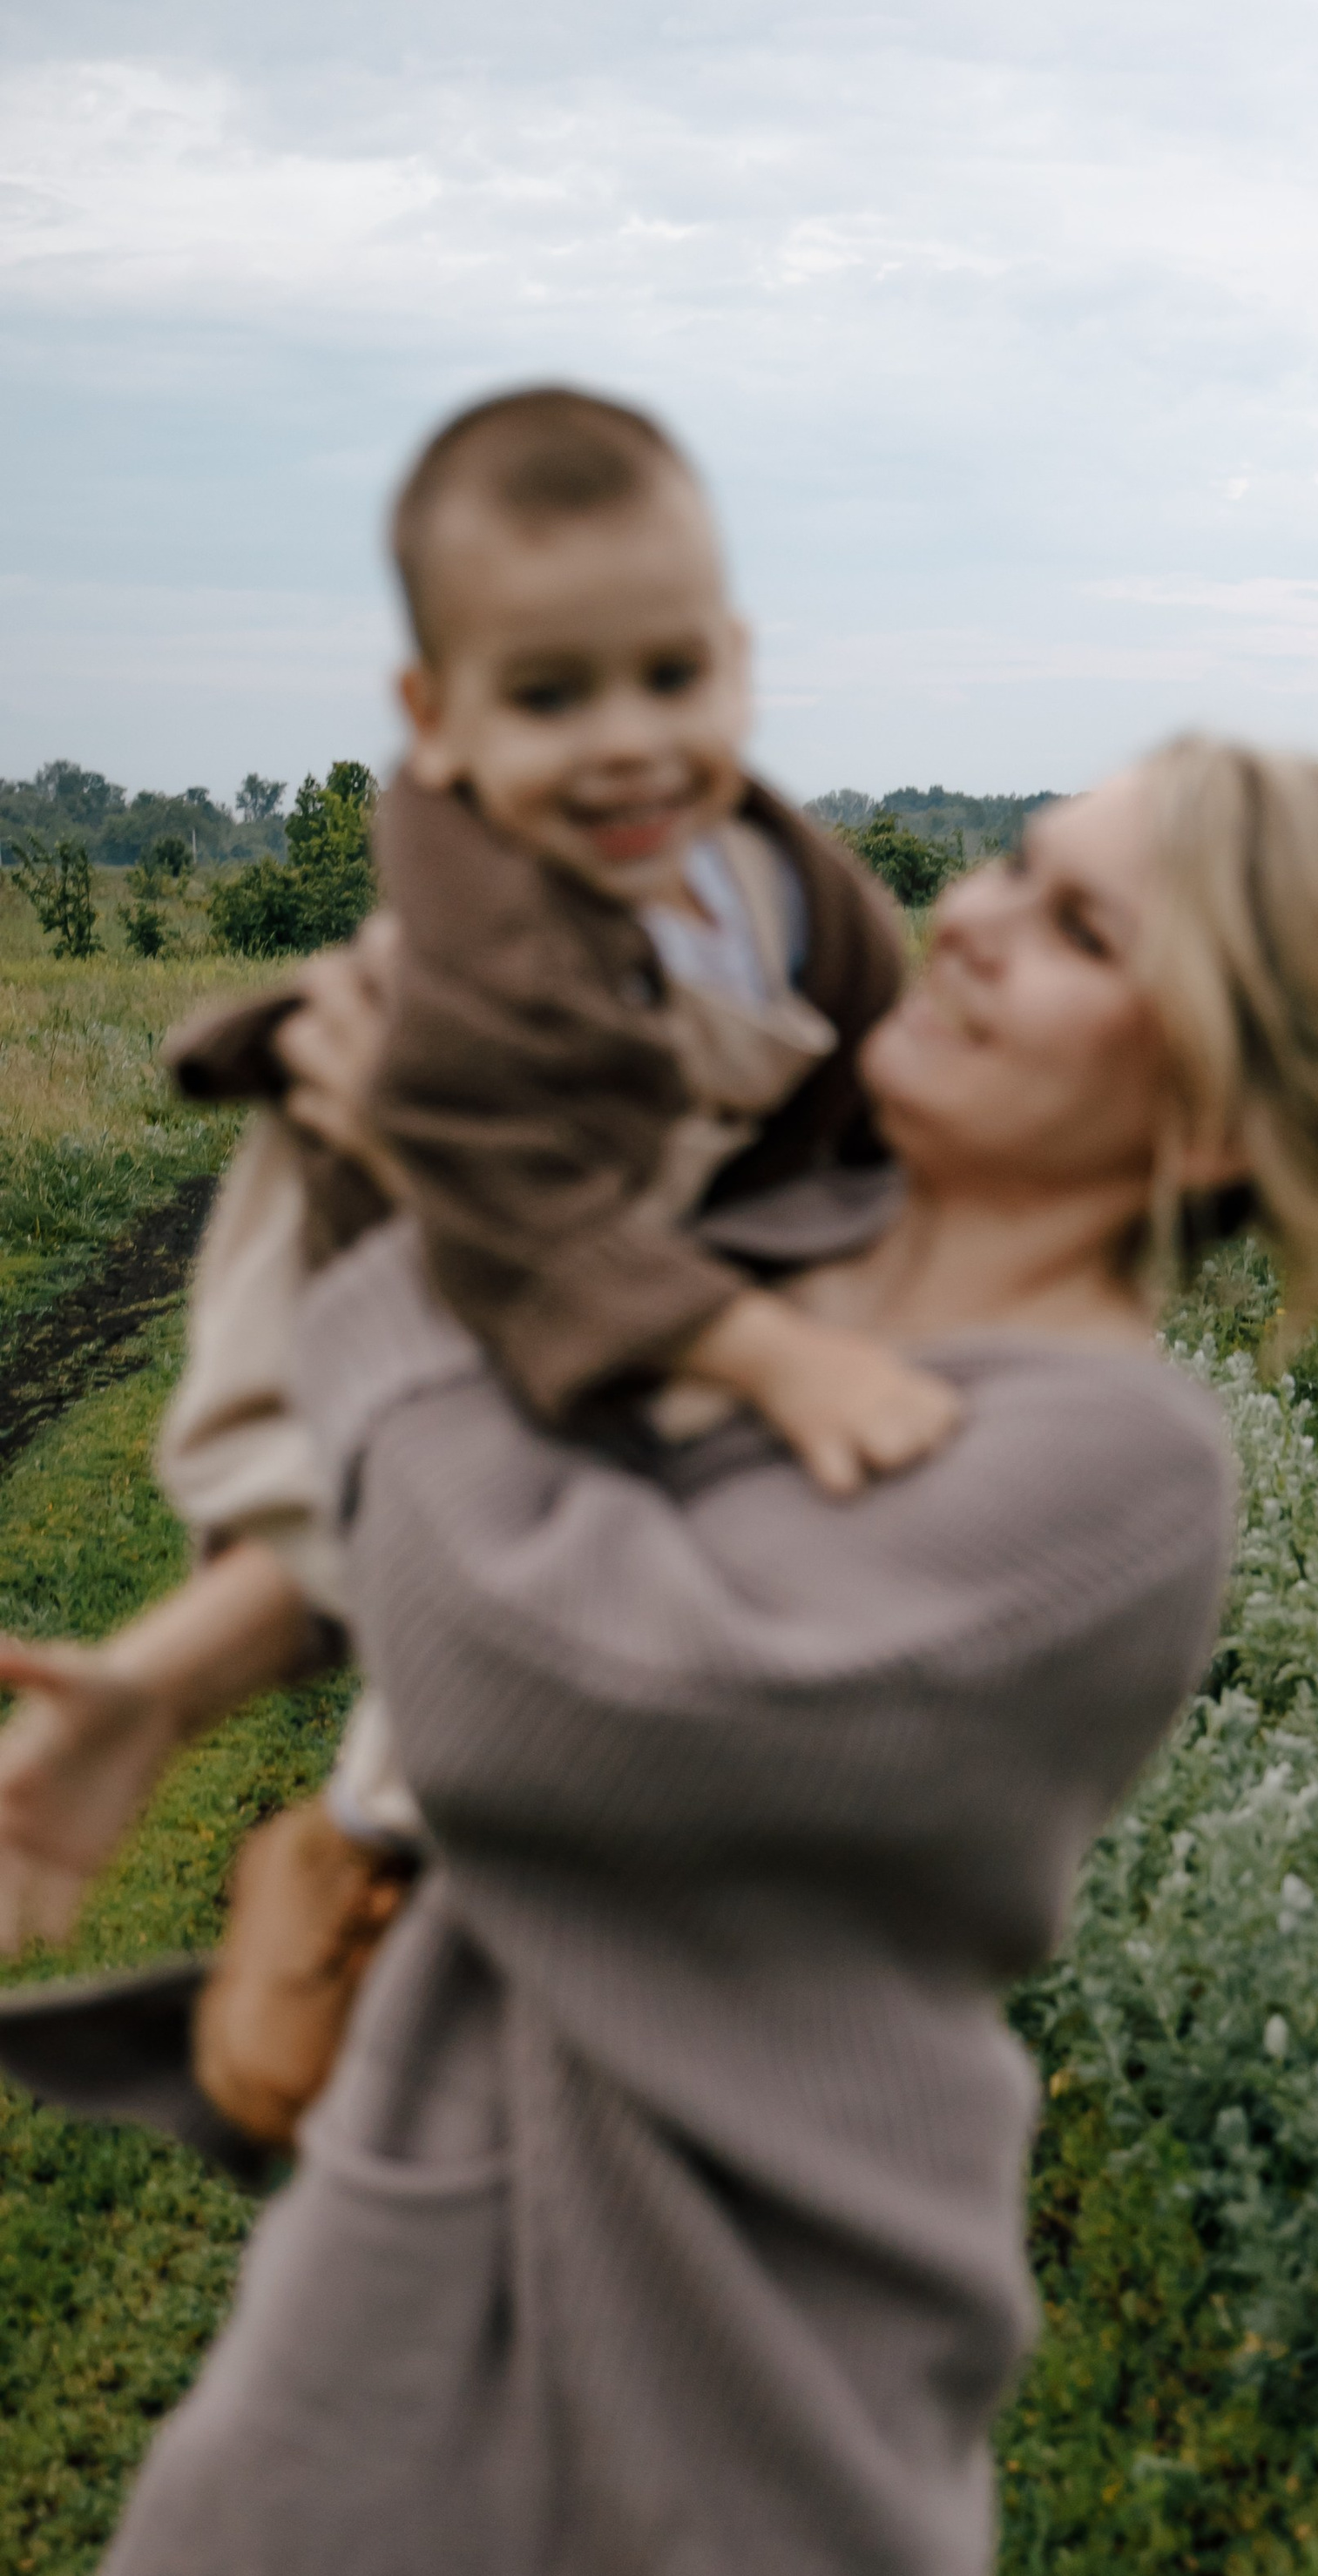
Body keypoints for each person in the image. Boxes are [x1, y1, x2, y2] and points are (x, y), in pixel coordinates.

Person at [33, 738, 1318, 2576]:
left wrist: (430, 1225)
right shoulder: (781, 1243)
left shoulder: (1109, 1467)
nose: (977, 915)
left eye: (1083, 929)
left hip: (716, 2427)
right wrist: (160, 1683)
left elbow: (559, 1686)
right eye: (1017, 869)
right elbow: (455, 1500)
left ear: (1212, 1115)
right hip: (413, 2318)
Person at [0, 382, 950, 2091]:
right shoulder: (487, 923)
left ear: (737, 664)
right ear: (436, 721)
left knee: (571, 1530)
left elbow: (863, 1063)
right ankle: (362, 1852)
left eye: (670, 676)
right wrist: (768, 1347)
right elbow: (520, 1206)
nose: (625, 742)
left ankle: (360, 1833)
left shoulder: (787, 884)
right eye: (548, 696)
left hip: (594, 1241)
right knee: (463, 1537)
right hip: (379, 1228)